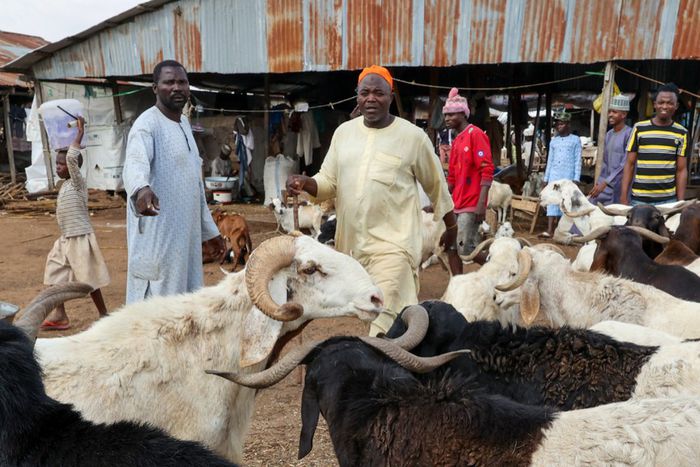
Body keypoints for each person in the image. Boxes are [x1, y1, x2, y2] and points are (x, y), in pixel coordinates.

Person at [286, 65, 458, 336]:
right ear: (357, 96)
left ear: (391, 95)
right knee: (371, 314)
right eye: (364, 92)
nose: (371, 98)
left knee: (385, 317)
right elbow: (328, 183)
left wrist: (452, 228)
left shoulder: (413, 137)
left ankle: (382, 369)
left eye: (378, 92)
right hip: (353, 251)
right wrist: (306, 183)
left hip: (394, 249)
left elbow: (437, 188)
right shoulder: (344, 134)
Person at [122, 60, 226, 304]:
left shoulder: (184, 124)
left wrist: (209, 232)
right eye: (169, 82)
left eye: (182, 82)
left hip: (185, 241)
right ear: (155, 88)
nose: (177, 87)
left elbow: (195, 188)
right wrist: (141, 189)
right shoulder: (147, 125)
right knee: (155, 309)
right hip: (159, 240)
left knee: (184, 305)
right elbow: (135, 163)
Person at [42, 117, 109, 330]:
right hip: (66, 238)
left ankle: (104, 315)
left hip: (80, 238)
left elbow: (72, 157)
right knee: (54, 271)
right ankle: (60, 314)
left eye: (62, 164)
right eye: (57, 164)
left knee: (89, 280)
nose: (59, 167)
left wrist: (79, 133)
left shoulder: (78, 183)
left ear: (73, 167)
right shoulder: (64, 186)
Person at [443, 87, 494, 255]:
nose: (447, 118)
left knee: (464, 247)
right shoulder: (457, 140)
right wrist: (440, 199)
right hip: (456, 202)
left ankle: (493, 269)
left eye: (452, 114)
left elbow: (487, 169)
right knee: (452, 247)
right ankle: (457, 280)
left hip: (471, 203)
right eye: (446, 115)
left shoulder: (476, 134)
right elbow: (452, 176)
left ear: (464, 114)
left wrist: (481, 204)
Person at [620, 83, 688, 206]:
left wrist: (681, 202)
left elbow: (681, 170)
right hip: (639, 200)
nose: (665, 106)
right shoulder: (639, 128)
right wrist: (623, 197)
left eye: (670, 103)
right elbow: (629, 164)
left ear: (676, 106)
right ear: (654, 104)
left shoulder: (682, 133)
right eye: (661, 102)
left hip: (668, 201)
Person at [541, 109, 582, 238]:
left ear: (568, 125)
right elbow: (550, 160)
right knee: (553, 200)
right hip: (554, 176)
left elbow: (578, 160)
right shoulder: (553, 141)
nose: (559, 126)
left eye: (562, 124)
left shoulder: (575, 140)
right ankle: (550, 230)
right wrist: (546, 178)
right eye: (557, 124)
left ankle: (562, 230)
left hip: (568, 177)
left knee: (566, 202)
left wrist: (576, 178)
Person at [588, 95, 633, 205]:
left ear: (624, 115)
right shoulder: (608, 135)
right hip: (607, 186)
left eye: (614, 112)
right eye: (609, 112)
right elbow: (605, 163)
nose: (610, 115)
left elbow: (625, 164)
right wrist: (599, 183)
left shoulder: (630, 134)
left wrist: (605, 182)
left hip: (622, 187)